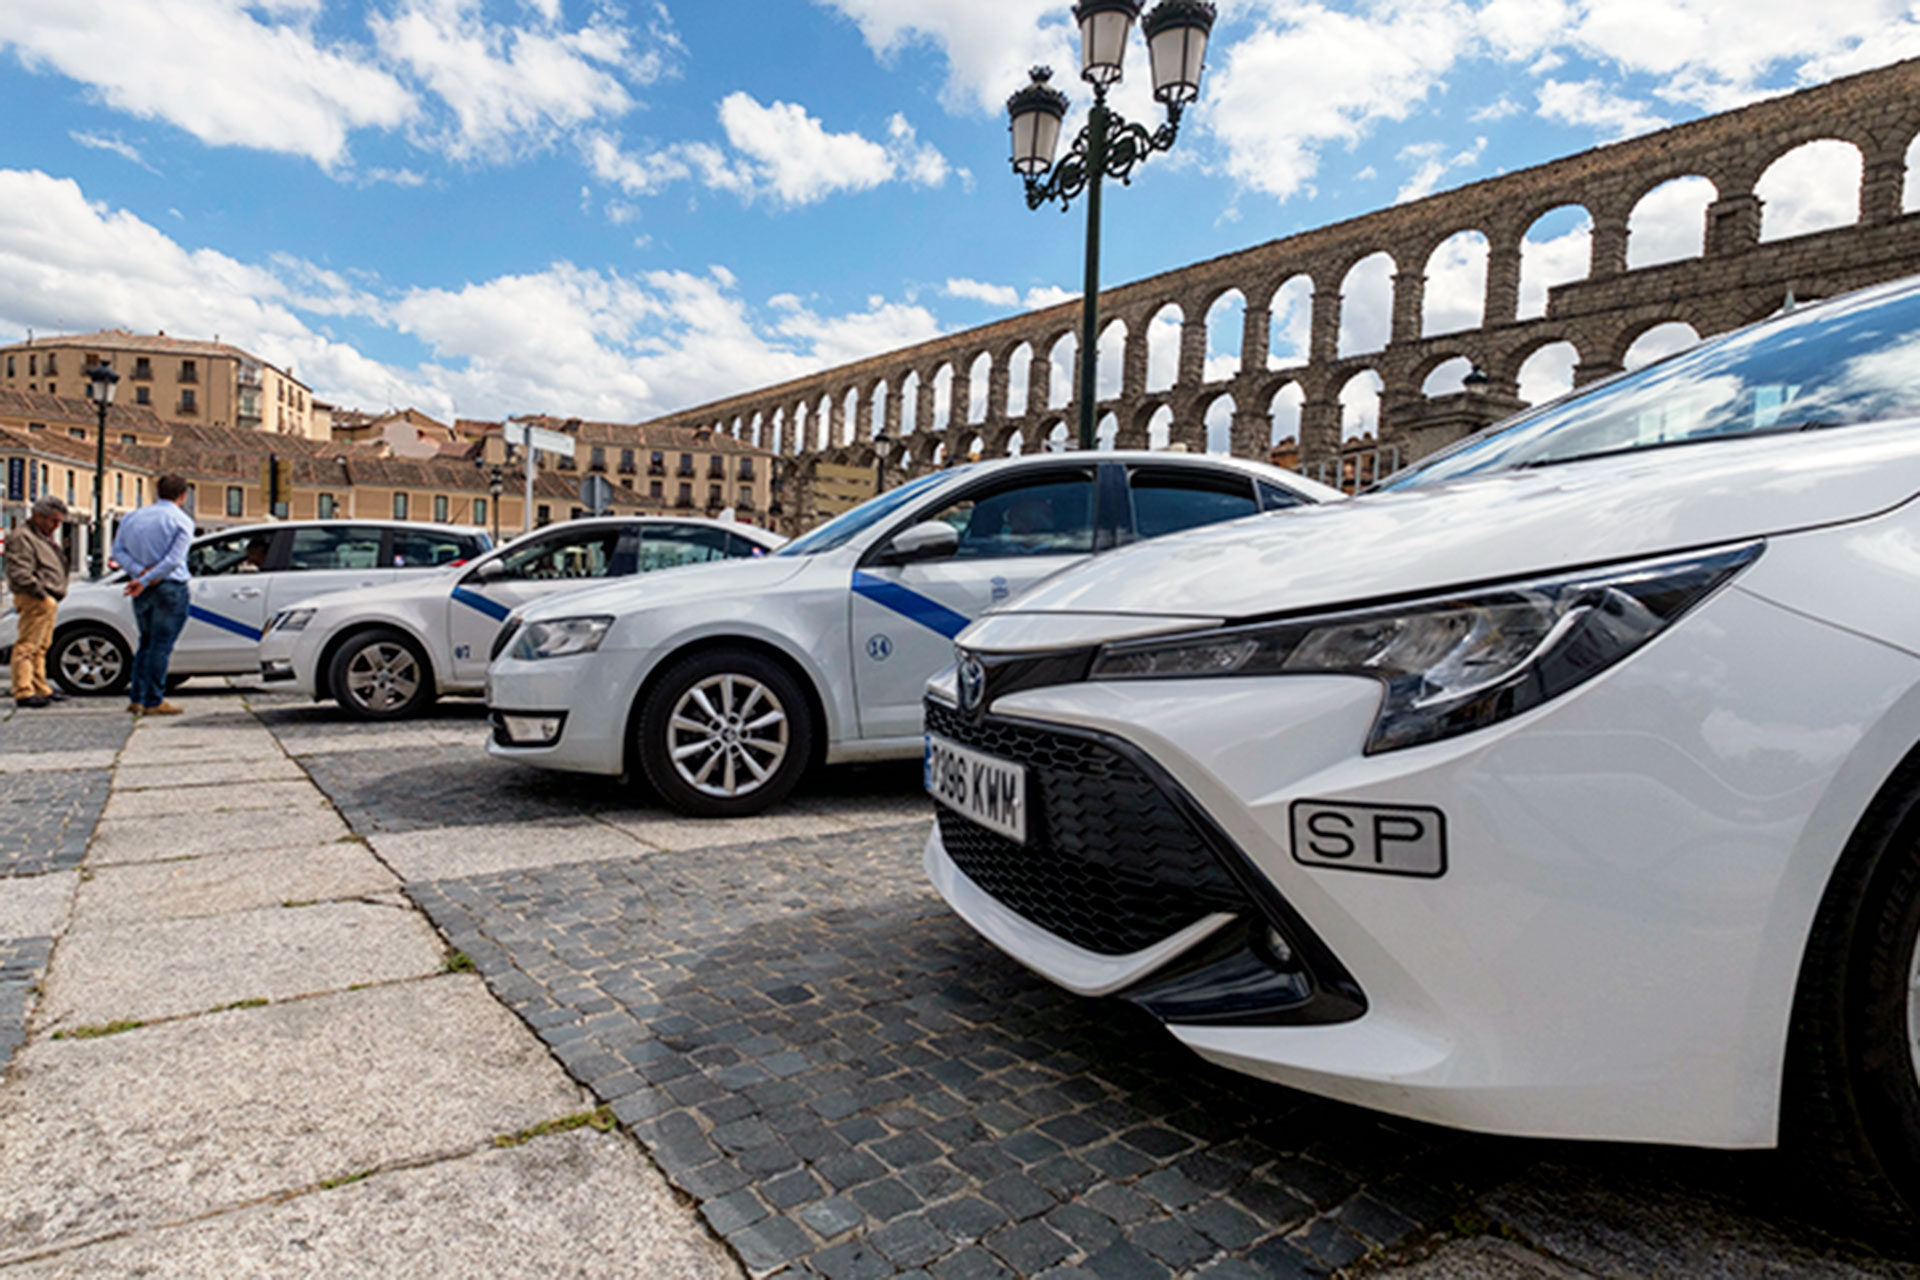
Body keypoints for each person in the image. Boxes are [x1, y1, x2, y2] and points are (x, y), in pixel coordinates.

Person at [110, 474, 195, 716]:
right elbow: (173, 560)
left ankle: (137, 697)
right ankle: (154, 699)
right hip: (169, 586)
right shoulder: (181, 520)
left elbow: (118, 552)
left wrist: (140, 574)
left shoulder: (132, 518)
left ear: (157, 492)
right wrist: (149, 577)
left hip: (142, 587)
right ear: (183, 495)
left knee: (145, 643)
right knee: (161, 646)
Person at [5, 497, 71, 708]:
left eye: (59, 521)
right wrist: (40, 593)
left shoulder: (42, 537)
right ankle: (23, 690)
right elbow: (19, 571)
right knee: (27, 646)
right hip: (35, 597)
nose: (56, 526)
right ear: (37, 516)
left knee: (41, 646)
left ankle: (40, 687)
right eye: (53, 521)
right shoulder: (23, 537)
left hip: (46, 597)